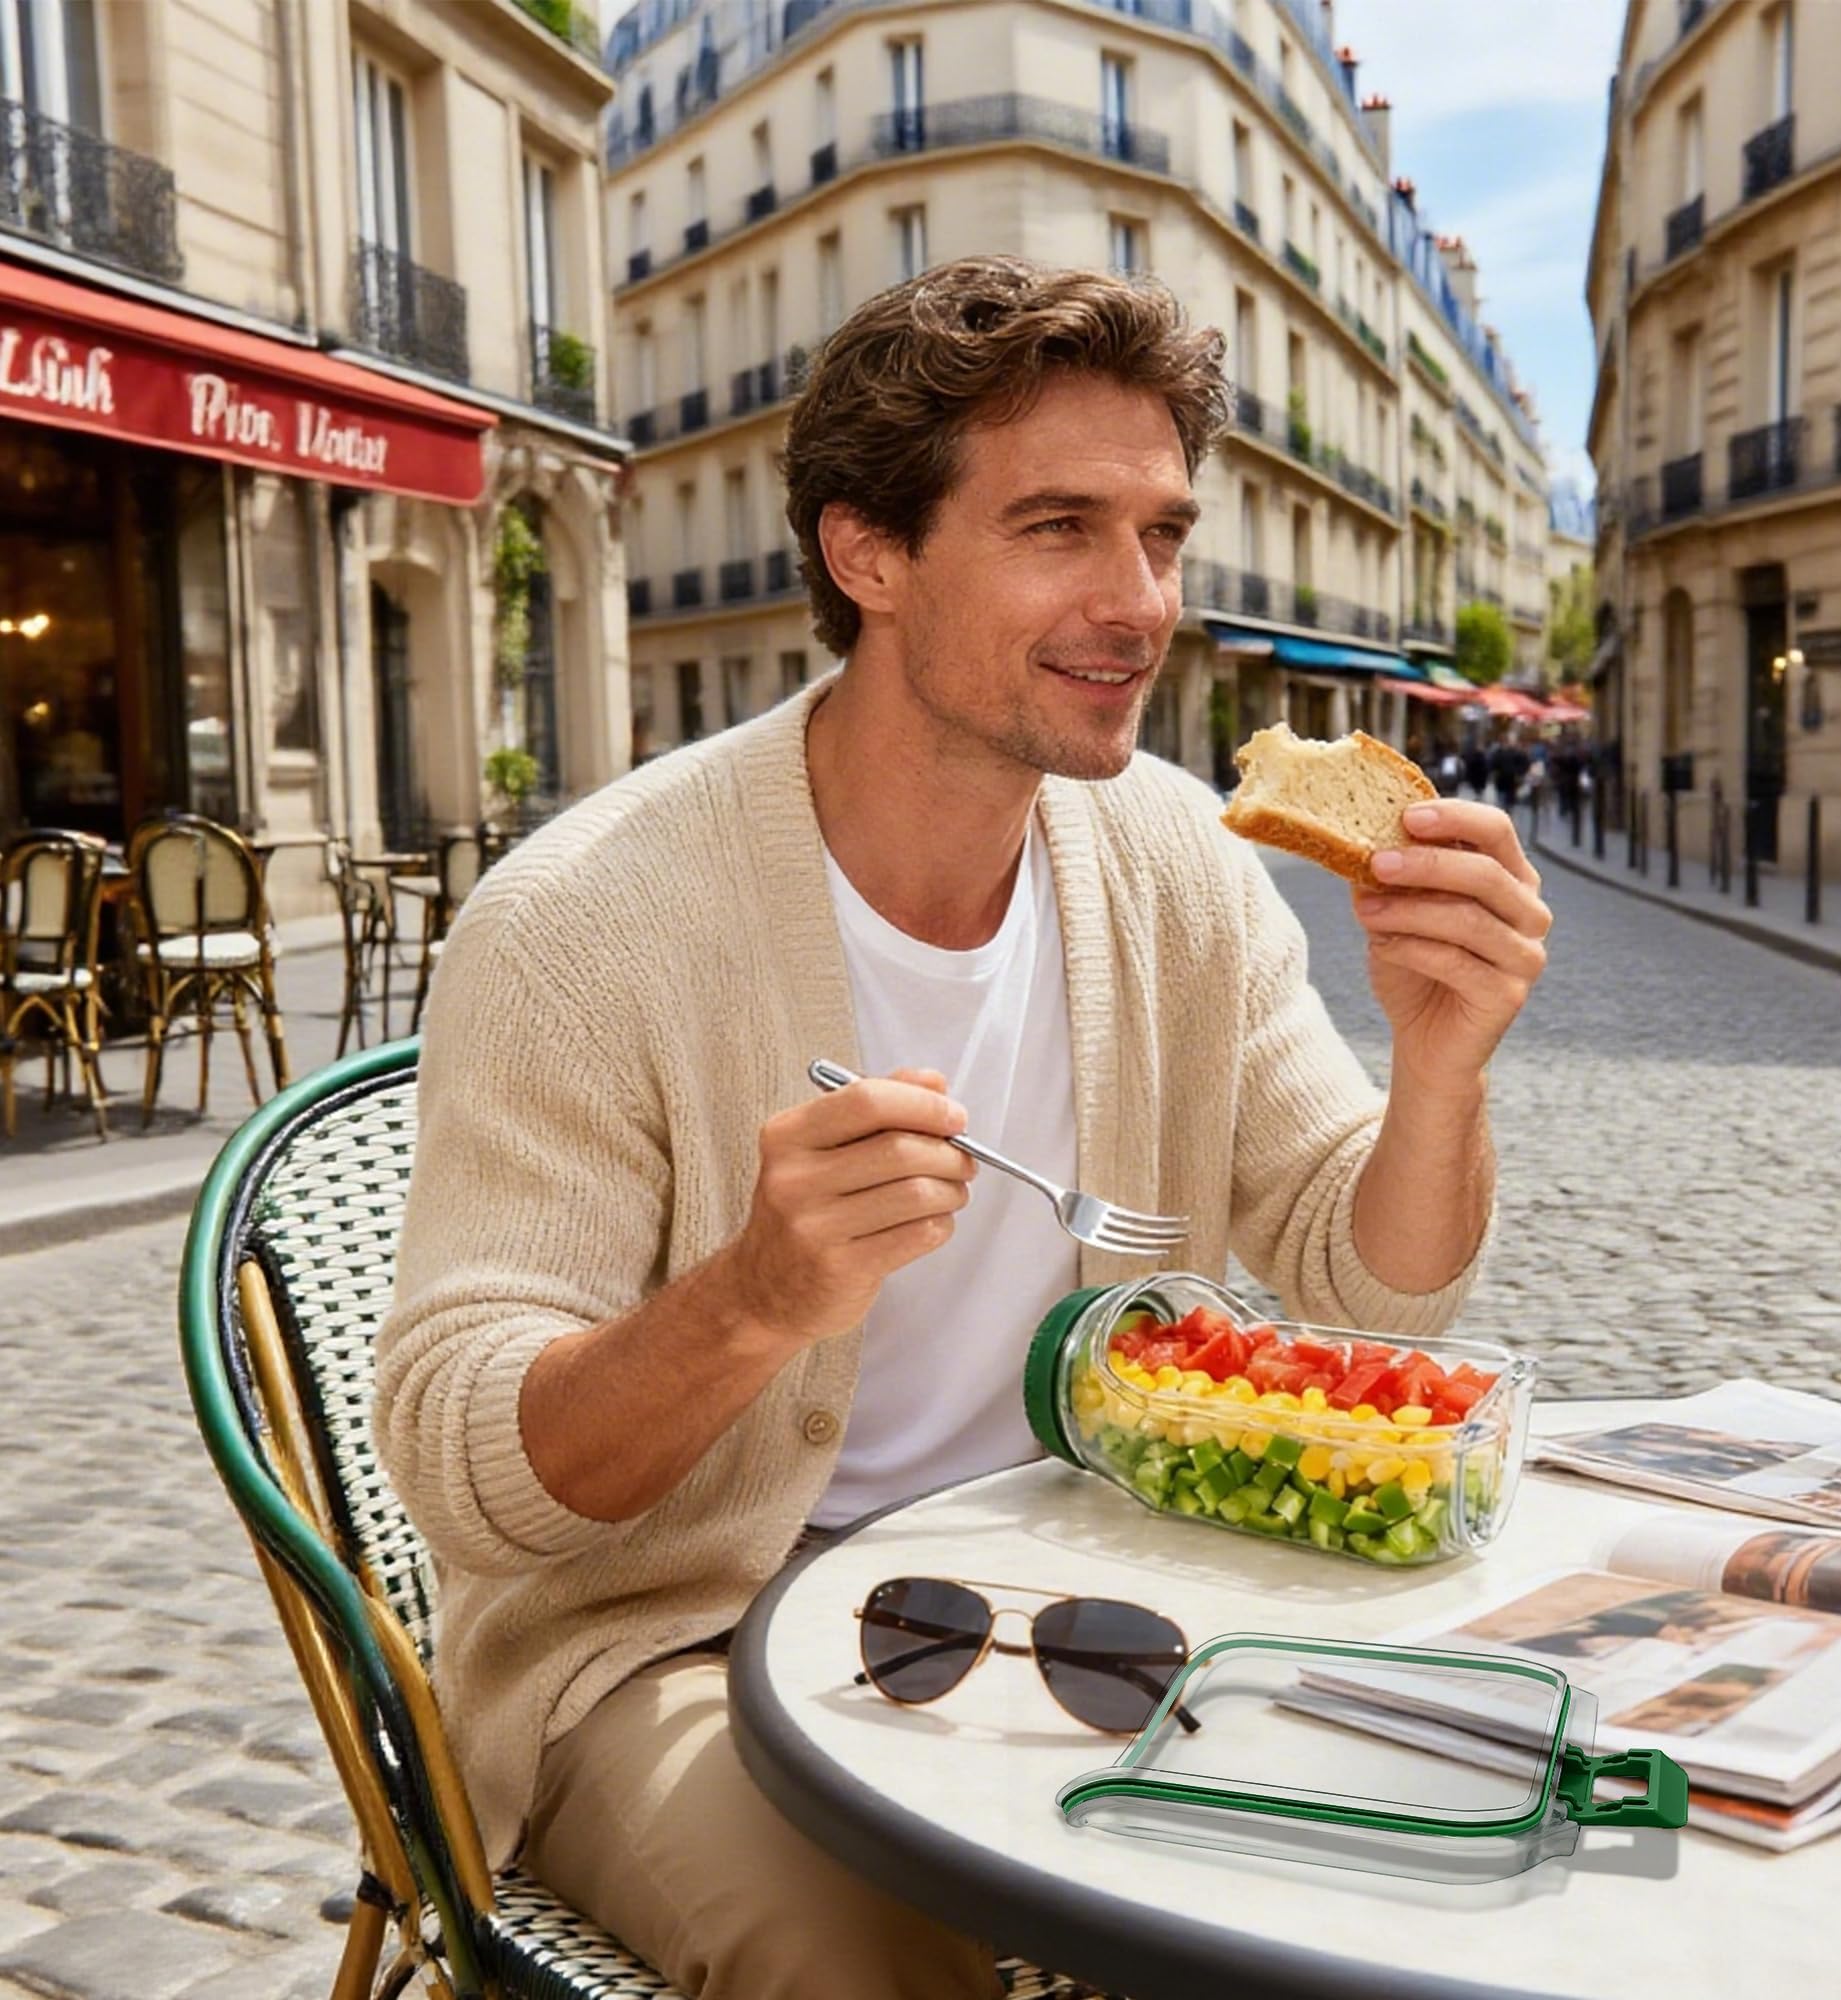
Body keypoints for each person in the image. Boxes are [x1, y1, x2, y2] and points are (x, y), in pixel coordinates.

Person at [375, 257, 1552, 1999]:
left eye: (1162, 534)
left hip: (1105, 1587)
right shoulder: (584, 922)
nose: (1138, 602)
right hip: (673, 1645)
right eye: (1059, 529)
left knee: (1422, 1857)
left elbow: (1365, 1284)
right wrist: (753, 1299)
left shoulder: (1182, 861)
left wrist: (1441, 1067)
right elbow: (472, 1481)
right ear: (869, 554)